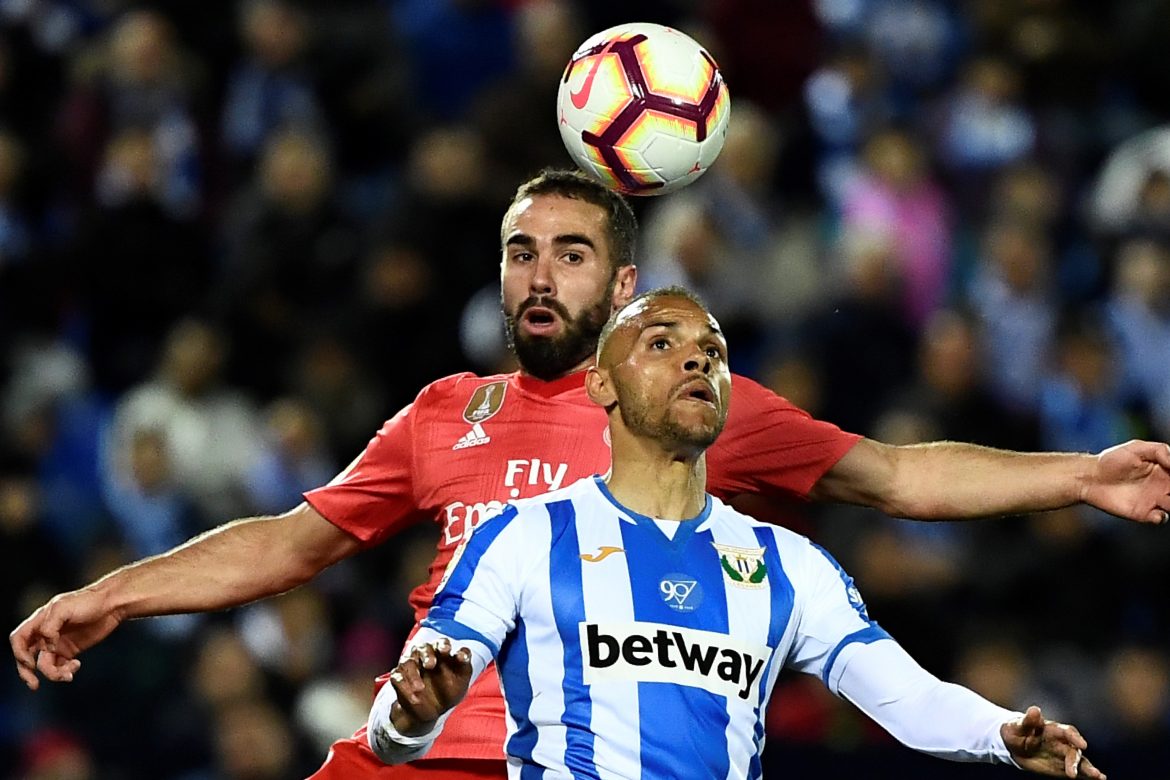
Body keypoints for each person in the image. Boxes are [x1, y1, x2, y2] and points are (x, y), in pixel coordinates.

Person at [10, 169, 1168, 780]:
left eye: (571, 254)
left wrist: (1080, 476)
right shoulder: (442, 413)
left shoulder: (691, 397)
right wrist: (111, 593)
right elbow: (286, 543)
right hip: (413, 755)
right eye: (522, 252)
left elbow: (900, 476)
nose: (540, 277)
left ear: (621, 288)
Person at [368, 287, 1104, 779]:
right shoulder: (522, 535)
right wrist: (412, 714)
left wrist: (1000, 735)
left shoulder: (788, 564)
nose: (698, 358)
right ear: (601, 386)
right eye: (661, 344)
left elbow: (906, 696)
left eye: (713, 351)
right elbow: (399, 717)